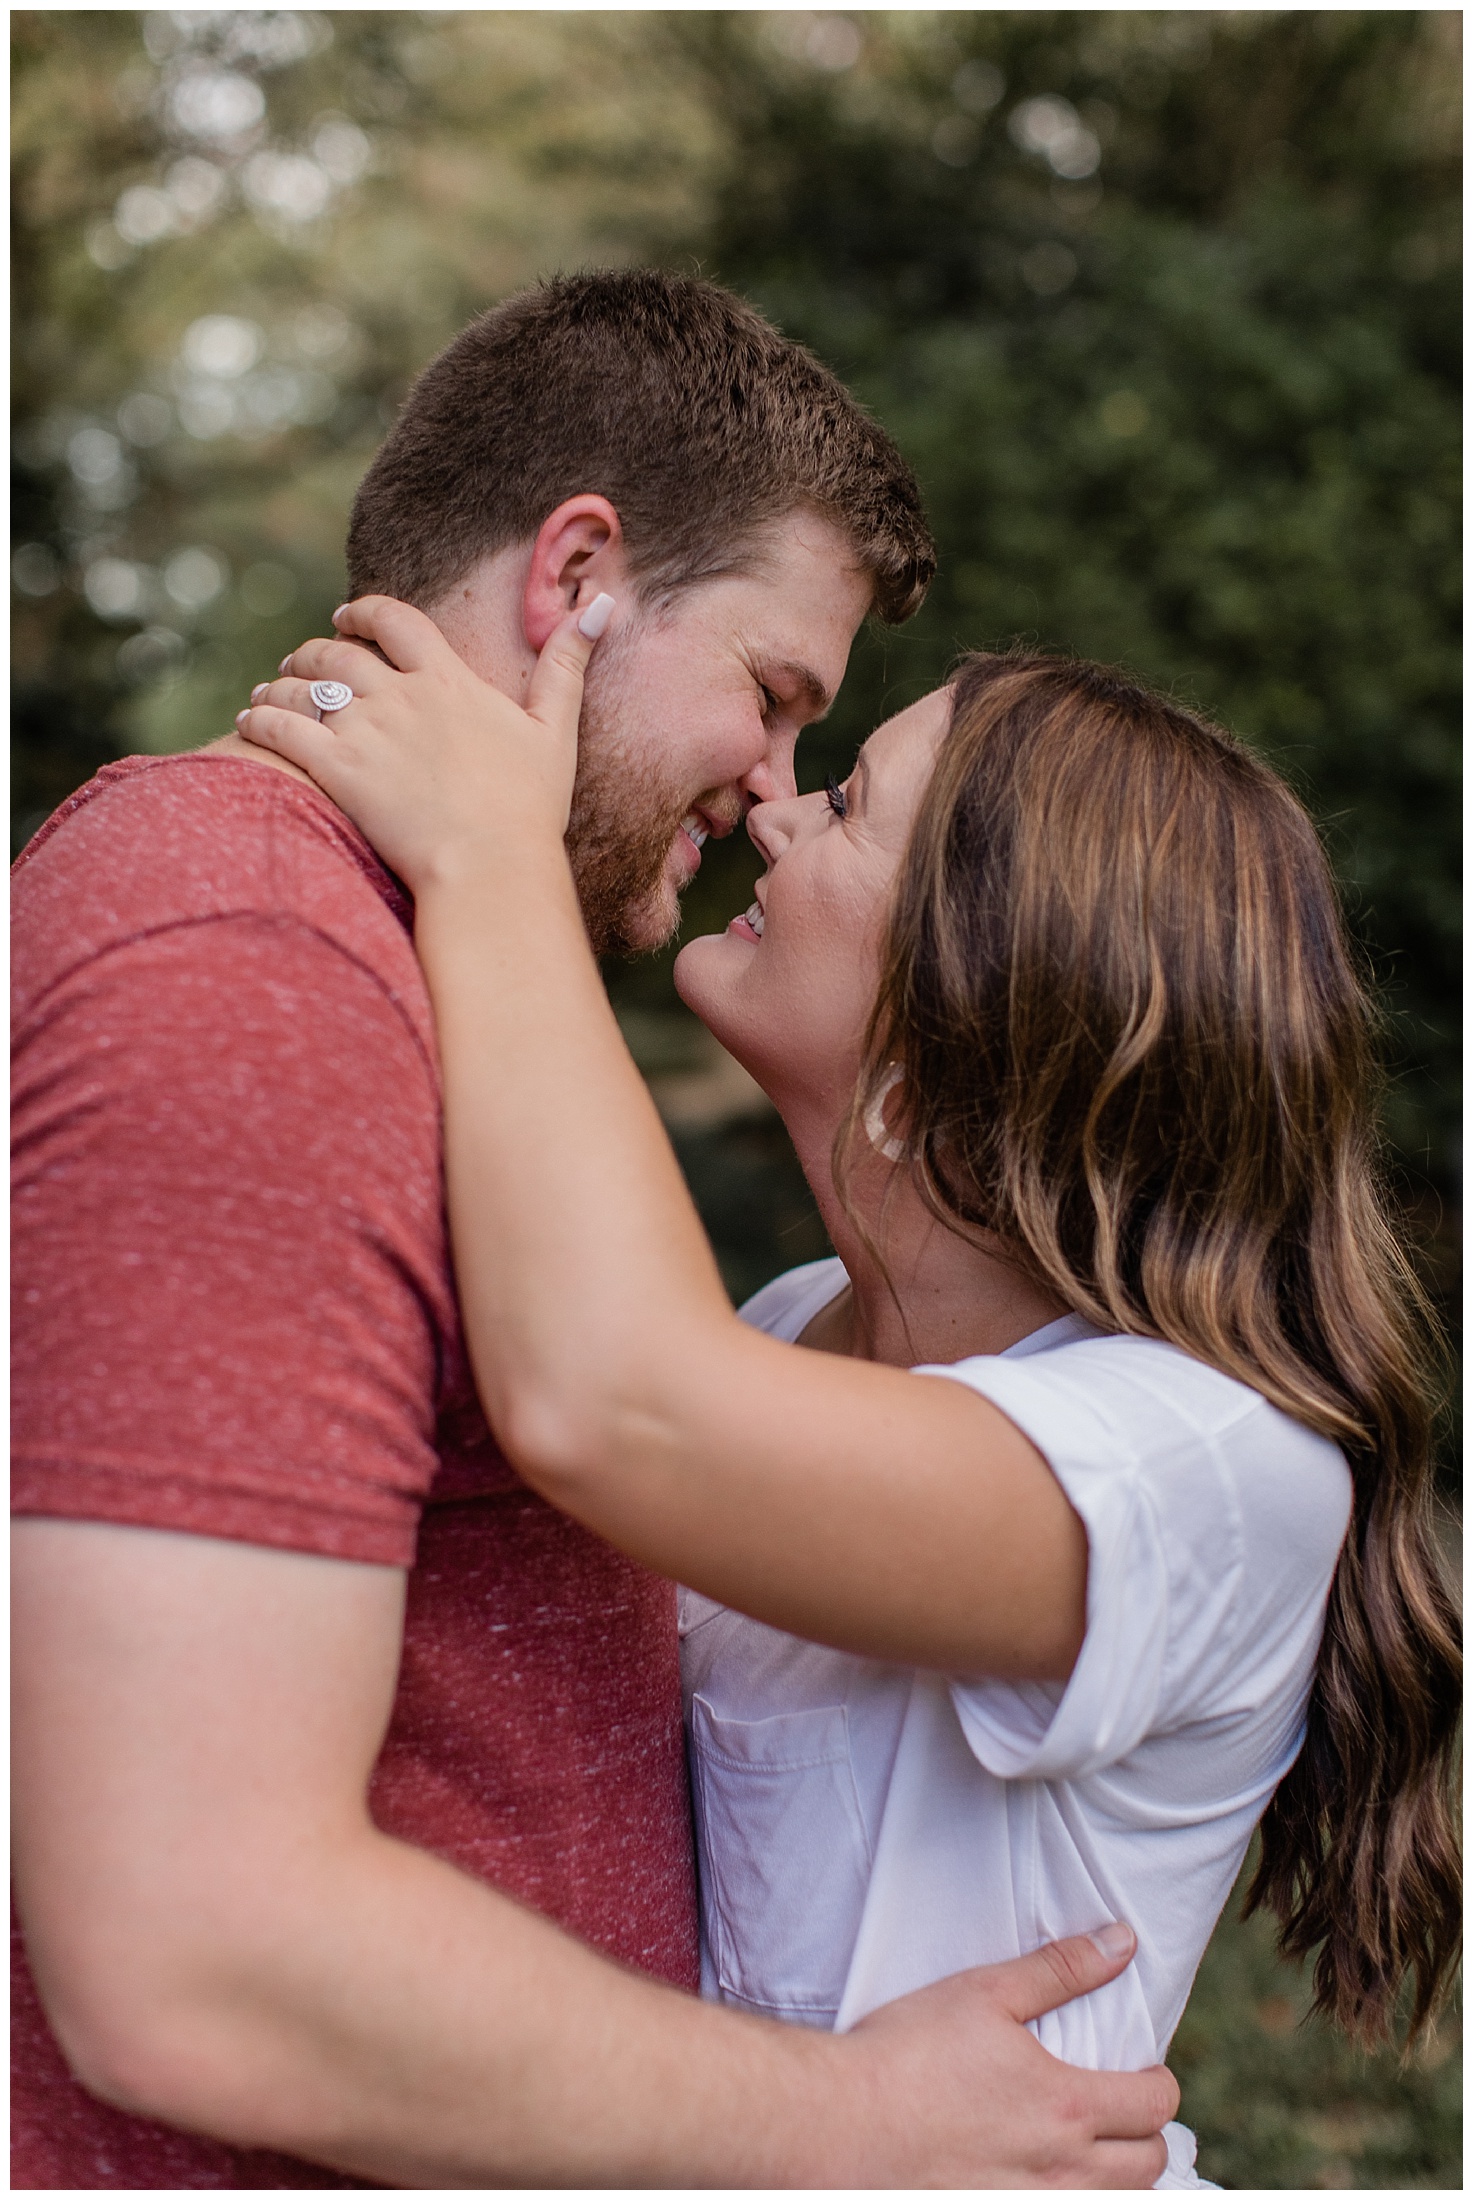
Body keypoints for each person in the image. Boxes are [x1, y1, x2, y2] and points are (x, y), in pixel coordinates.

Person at [11, 270, 1179, 2189]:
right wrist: (849, 2126)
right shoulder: (250, 951)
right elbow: (189, 1944)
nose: (771, 789)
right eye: (776, 696)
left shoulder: (422, 965)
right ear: (579, 578)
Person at [235, 592, 1462, 2187]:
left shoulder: (1205, 1458)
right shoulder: (791, 1323)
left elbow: (612, 1406)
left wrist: (492, 859)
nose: (774, 801)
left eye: (851, 802)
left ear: (980, 977)